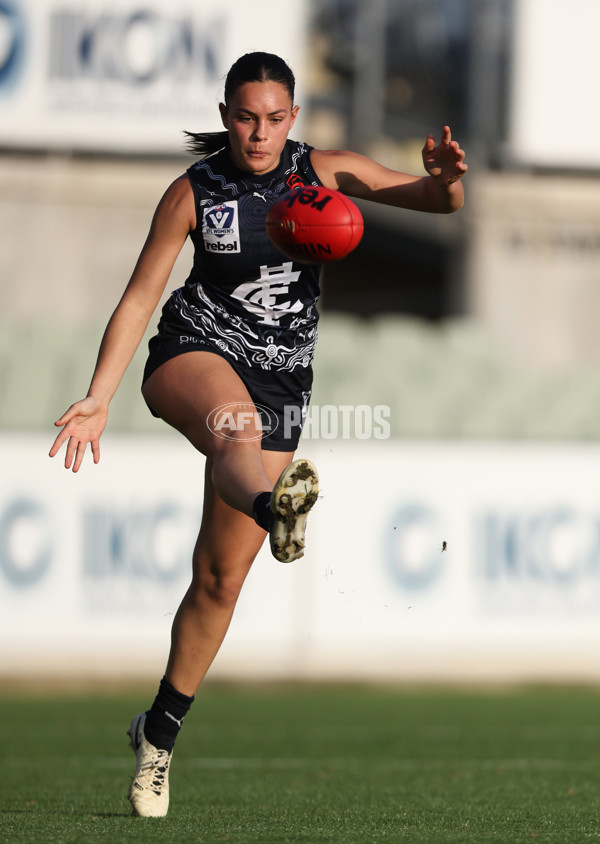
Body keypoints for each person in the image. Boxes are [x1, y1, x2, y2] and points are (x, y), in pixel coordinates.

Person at [49, 51, 467, 817]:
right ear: (224, 115)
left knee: (220, 579)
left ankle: (158, 736)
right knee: (232, 432)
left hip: (282, 385)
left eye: (275, 118)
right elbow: (142, 298)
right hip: (195, 350)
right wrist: (98, 395)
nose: (260, 132)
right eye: (246, 117)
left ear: (294, 118)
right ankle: (278, 506)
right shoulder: (193, 193)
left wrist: (444, 178)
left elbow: (440, 205)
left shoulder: (326, 172)